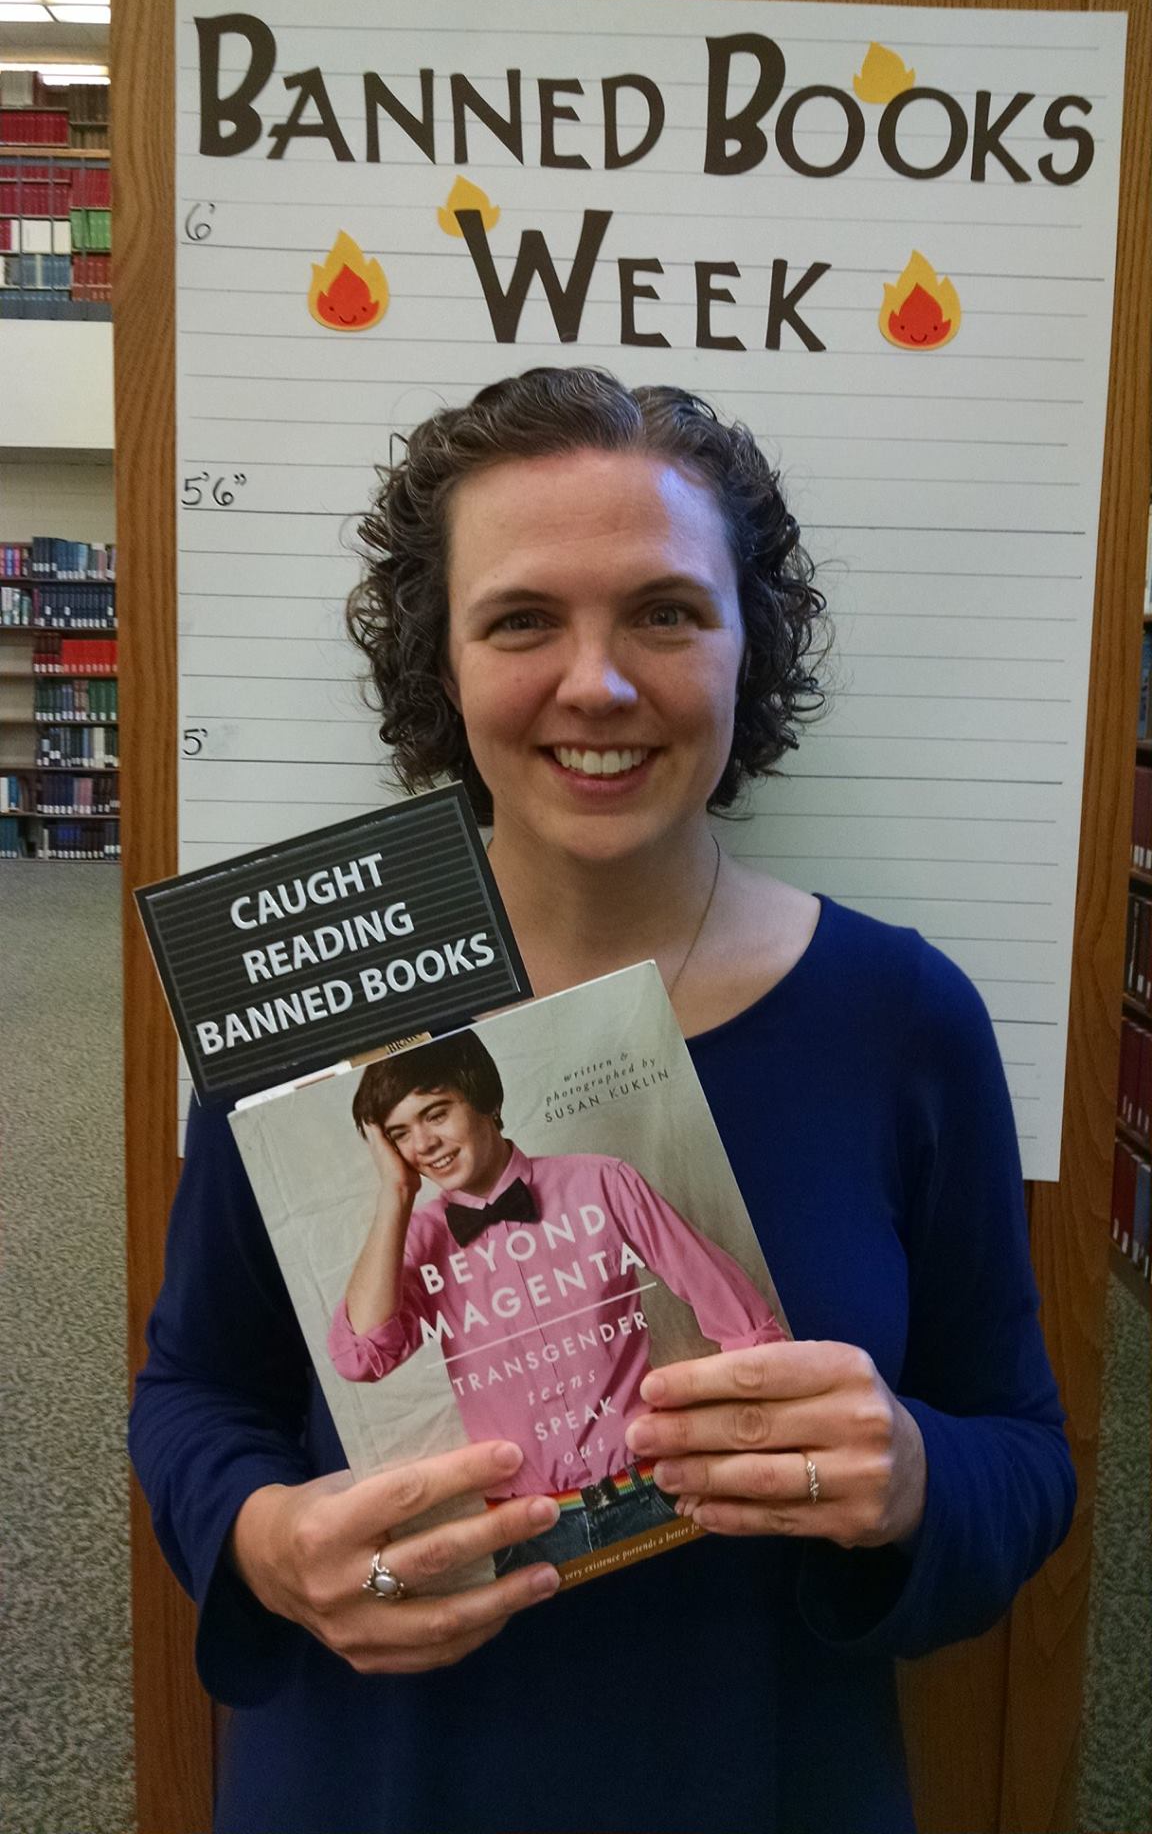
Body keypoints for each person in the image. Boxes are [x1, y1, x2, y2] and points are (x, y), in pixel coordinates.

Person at [130, 366, 1076, 1834]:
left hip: (760, 1781)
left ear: (745, 645)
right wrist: (262, 1544)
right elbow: (196, 1390)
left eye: (665, 611)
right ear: (438, 664)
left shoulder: (902, 1019)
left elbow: (1022, 1453)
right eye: (521, 620)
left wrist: (910, 1476)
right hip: (378, 1781)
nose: (599, 682)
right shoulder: (323, 1015)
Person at [328, 1029, 787, 1568]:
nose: (423, 1144)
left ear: (485, 1099)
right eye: (400, 1132)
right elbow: (361, 1358)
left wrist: (737, 1445)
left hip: (659, 1494)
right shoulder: (416, 1238)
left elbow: (741, 1318)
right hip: (529, 1530)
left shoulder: (602, 1182)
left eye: (436, 1113)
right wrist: (396, 1194)